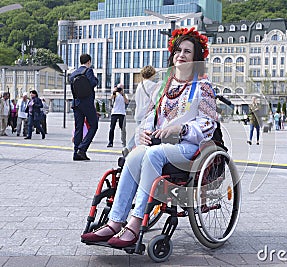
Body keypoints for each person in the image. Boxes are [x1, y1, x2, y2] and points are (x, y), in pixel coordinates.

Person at [81, 27, 216, 248]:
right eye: (178, 50)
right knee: (135, 155)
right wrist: (144, 131)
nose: (181, 55)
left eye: (187, 52)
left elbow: (209, 124)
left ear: (196, 58)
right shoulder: (166, 85)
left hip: (189, 148)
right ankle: (115, 221)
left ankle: (135, 223)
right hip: (161, 146)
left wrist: (180, 129)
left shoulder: (203, 87)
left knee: (152, 154)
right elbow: (150, 115)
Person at [70, 54, 99, 161]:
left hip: (76, 103)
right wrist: (96, 79)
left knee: (78, 127)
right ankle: (82, 149)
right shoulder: (88, 71)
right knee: (94, 125)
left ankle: (76, 153)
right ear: (89, 61)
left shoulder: (73, 74)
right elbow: (93, 83)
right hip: (87, 103)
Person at [123, 66, 157, 155]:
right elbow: (155, 100)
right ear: (152, 74)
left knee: (138, 132)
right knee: (141, 134)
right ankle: (130, 148)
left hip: (138, 113)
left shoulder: (140, 85)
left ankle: (129, 148)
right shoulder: (153, 85)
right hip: (146, 114)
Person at [107, 83, 128, 147]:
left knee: (123, 129)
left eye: (121, 88)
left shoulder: (125, 95)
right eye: (119, 88)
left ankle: (124, 142)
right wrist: (114, 92)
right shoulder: (115, 94)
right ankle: (110, 142)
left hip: (122, 113)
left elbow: (127, 102)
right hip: (114, 112)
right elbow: (110, 99)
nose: (120, 89)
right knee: (112, 128)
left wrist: (123, 94)